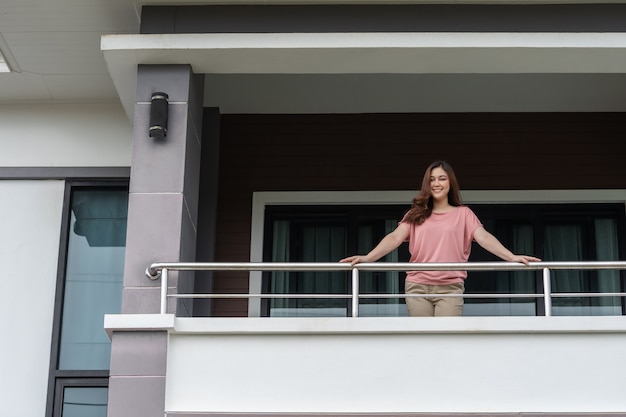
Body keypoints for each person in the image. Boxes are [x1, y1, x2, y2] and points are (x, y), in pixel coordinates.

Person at [340, 160, 541, 317]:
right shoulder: (415, 214)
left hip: (450, 287)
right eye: (432, 179)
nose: (437, 183)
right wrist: (368, 258)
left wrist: (511, 256)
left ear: (450, 182)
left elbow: (483, 237)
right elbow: (394, 238)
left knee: (447, 340)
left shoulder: (464, 214)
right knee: (423, 341)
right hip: (417, 286)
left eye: (442, 178)